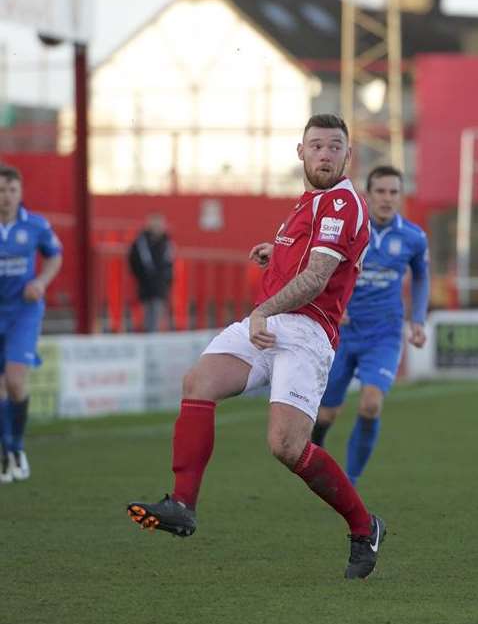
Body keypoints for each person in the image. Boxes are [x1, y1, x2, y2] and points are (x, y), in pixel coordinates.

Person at [127, 114, 386, 580]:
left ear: (349, 156)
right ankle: (183, 504)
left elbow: (317, 278)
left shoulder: (345, 203)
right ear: (301, 152)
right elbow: (305, 257)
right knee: (199, 382)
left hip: (306, 331)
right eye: (316, 146)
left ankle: (364, 527)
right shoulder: (310, 201)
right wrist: (277, 251)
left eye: (334, 147)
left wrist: (264, 311)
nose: (325, 154)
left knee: (286, 446)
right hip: (268, 321)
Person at [310, 165, 429, 485]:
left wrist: (417, 319)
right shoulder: (349, 231)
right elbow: (319, 268)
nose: (387, 199)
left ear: (401, 196)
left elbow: (421, 277)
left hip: (385, 333)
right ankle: (312, 465)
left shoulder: (413, 237)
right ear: (368, 195)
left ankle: (350, 481)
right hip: (343, 332)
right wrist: (332, 306)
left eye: (394, 192)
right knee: (326, 414)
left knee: (371, 405)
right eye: (381, 191)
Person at [0, 164, 63, 484]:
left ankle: (16, 449)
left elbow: (54, 256)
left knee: (14, 381)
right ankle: (7, 453)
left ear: (20, 193)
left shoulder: (36, 226)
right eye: (1, 191)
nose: (6, 197)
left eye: (11, 190)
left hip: (23, 312)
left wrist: (41, 281)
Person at [128, 213, 175, 332]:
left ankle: (153, 337)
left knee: (157, 314)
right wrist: (142, 277)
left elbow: (169, 264)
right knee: (147, 315)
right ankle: (148, 337)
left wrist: (167, 281)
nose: (157, 227)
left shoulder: (167, 243)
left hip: (161, 287)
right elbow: (133, 261)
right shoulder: (140, 243)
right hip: (145, 285)